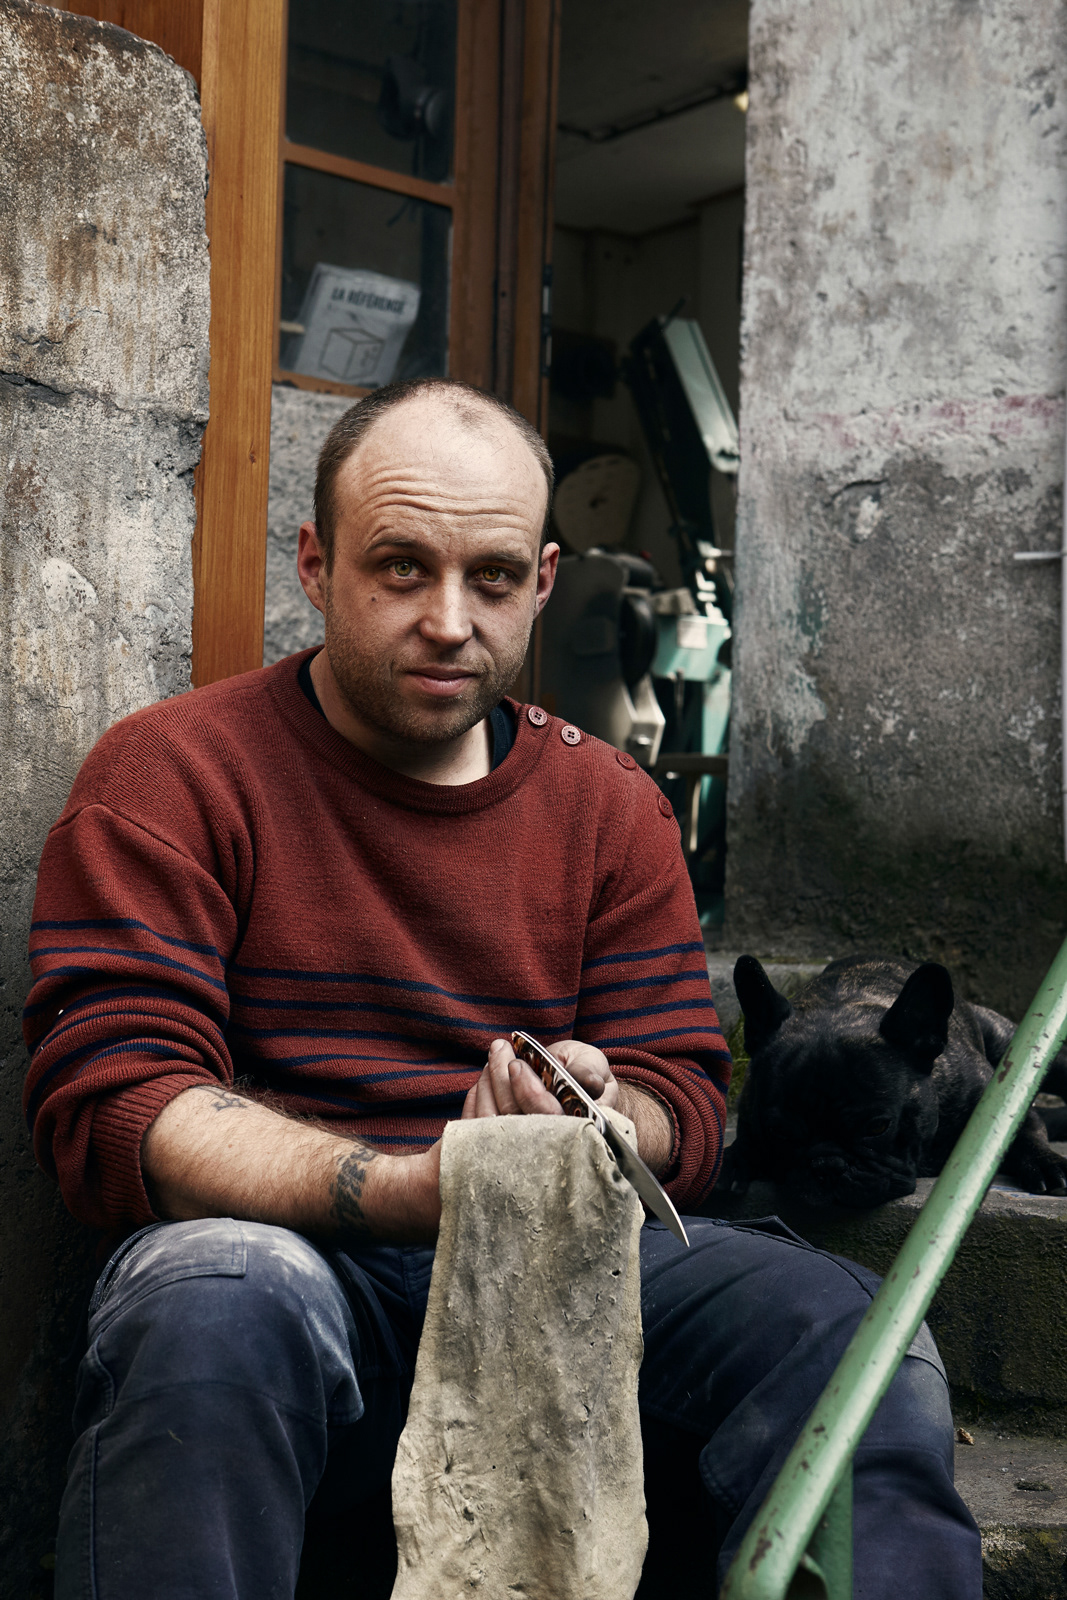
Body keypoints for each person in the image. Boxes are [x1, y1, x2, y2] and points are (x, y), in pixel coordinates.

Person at [24, 378, 980, 1599]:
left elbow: (686, 1110)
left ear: (540, 581)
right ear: (314, 565)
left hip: (566, 1263)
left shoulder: (611, 808)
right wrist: (411, 1186)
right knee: (209, 1295)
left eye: (490, 577)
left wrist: (603, 1110)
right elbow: (117, 1100)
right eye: (400, 567)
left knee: (851, 1330)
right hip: (287, 1267)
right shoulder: (172, 772)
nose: (447, 619)